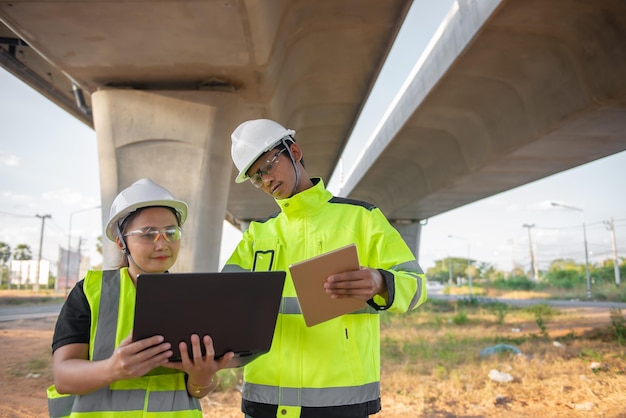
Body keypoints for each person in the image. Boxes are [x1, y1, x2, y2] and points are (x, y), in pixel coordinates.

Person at [224, 119, 428, 418]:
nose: (265, 181)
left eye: (267, 167)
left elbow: (417, 286)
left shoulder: (363, 218)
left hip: (340, 400)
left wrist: (380, 282)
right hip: (266, 397)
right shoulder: (258, 234)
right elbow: (224, 301)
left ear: (293, 151)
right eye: (256, 178)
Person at [47, 178, 234, 417]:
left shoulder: (193, 297)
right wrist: (112, 369)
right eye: (148, 234)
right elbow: (63, 377)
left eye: (170, 232)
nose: (162, 244)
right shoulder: (90, 292)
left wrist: (201, 376)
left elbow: (197, 390)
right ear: (121, 242)